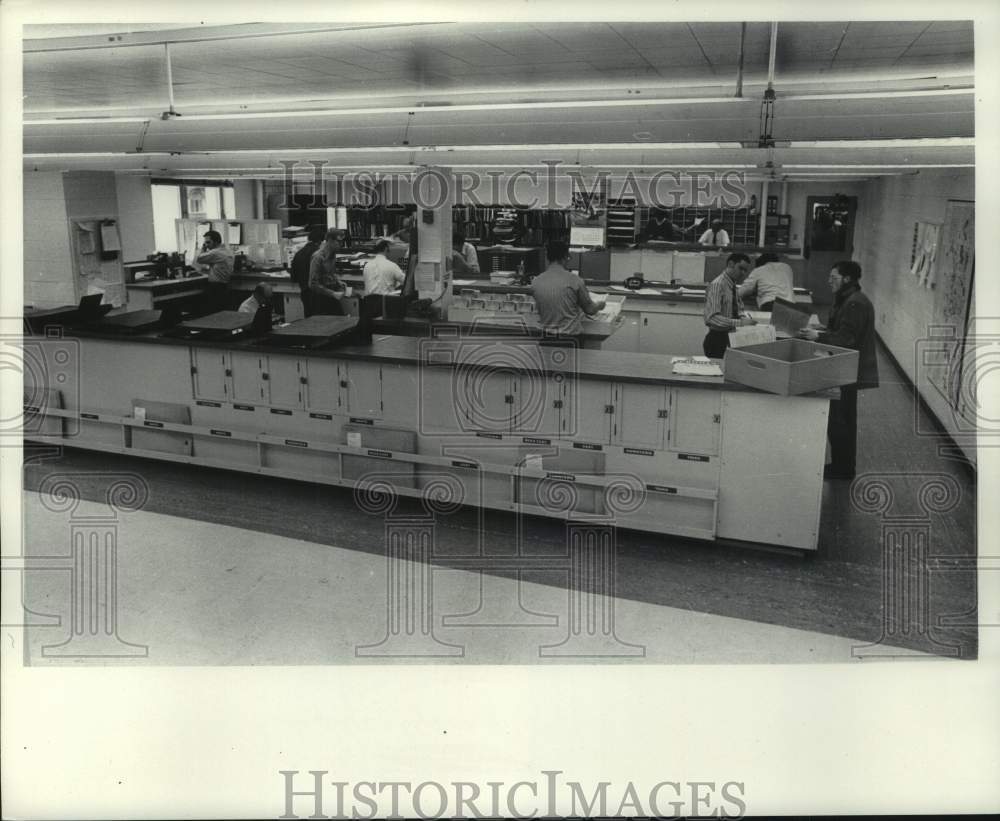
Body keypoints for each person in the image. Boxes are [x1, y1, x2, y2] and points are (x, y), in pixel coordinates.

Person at [799, 260, 879, 480]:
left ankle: (843, 469)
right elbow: (840, 330)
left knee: (840, 420)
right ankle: (842, 466)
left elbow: (846, 339)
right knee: (841, 418)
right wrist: (821, 330)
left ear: (847, 279)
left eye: (833, 278)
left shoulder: (855, 303)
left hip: (848, 368)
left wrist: (819, 336)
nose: (829, 281)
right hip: (844, 366)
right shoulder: (848, 298)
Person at [531, 240, 601, 338]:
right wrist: (600, 305)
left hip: (546, 338)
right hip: (569, 339)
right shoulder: (574, 280)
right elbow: (590, 310)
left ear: (548, 258)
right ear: (564, 257)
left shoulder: (536, 281)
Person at [702, 253, 755, 359]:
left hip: (729, 336)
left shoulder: (731, 284)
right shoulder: (718, 285)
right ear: (731, 264)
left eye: (745, 270)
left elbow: (737, 307)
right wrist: (741, 323)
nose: (743, 273)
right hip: (717, 338)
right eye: (741, 268)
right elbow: (712, 318)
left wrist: (742, 316)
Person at [308, 228, 347, 316]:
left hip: (330, 295)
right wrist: (333, 293)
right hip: (320, 300)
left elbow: (330, 274)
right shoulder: (318, 257)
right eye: (339, 242)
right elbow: (312, 284)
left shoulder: (333, 255)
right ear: (330, 240)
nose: (341, 245)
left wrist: (337, 281)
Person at [290, 226, 325, 317]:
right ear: (320, 241)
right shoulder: (319, 254)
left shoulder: (298, 254)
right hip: (318, 294)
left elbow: (293, 278)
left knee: (309, 320)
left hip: (305, 293)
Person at [196, 230, 234, 312]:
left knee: (212, 311)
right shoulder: (228, 251)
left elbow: (199, 258)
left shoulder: (215, 253)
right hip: (224, 286)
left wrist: (203, 248)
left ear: (216, 242)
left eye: (208, 242)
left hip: (215, 287)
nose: (206, 245)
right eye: (205, 243)